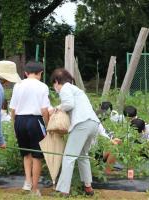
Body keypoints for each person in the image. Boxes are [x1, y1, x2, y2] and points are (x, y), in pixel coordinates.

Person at [51, 68, 100, 196]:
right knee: (83, 155)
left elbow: (68, 104)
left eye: (54, 85)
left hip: (82, 124)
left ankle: (63, 190)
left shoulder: (65, 88)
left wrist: (57, 108)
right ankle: (88, 187)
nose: (55, 88)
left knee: (69, 157)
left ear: (56, 82)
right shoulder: (78, 90)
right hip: (93, 123)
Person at [10, 61, 50, 196]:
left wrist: (14, 126)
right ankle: (34, 189)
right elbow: (45, 110)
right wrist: (47, 126)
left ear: (26, 73)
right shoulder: (42, 86)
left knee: (26, 153)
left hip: (20, 120)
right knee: (37, 156)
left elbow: (13, 109)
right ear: (41, 73)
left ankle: (27, 182)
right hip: (35, 121)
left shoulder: (18, 85)